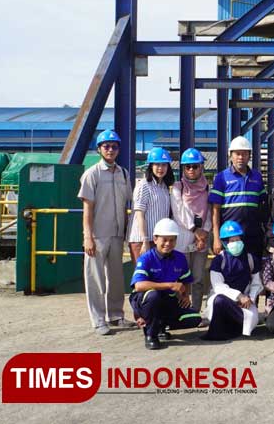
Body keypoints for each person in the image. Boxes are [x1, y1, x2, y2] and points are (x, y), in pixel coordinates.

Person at [78, 129, 134, 336]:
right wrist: (87, 237)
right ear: (99, 149)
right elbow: (87, 209)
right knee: (95, 278)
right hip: (97, 234)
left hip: (117, 234)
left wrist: (128, 233)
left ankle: (116, 315)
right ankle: (99, 320)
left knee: (116, 277)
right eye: (106, 146)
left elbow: (127, 204)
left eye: (114, 146)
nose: (110, 149)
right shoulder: (92, 174)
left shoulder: (123, 173)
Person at [129, 218, 202, 350]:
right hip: (145, 300)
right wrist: (170, 285)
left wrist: (185, 295)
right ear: (155, 239)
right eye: (164, 240)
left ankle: (160, 325)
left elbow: (186, 279)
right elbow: (139, 285)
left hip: (168, 300)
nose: (168, 243)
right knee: (153, 295)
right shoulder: (146, 258)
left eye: (172, 240)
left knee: (195, 317)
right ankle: (151, 335)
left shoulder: (180, 258)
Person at [202, 221, 263, 341]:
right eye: (232, 241)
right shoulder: (219, 260)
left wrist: (250, 298)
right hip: (226, 301)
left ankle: (232, 329)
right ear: (225, 243)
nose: (236, 243)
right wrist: (239, 296)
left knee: (250, 319)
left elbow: (257, 283)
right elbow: (218, 286)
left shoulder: (250, 258)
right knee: (218, 300)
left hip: (245, 304)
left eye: (238, 239)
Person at [209, 136, 268, 258]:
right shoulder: (221, 177)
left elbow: (263, 205)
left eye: (244, 154)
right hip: (230, 235)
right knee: (231, 271)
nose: (241, 157)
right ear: (231, 155)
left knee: (254, 270)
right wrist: (216, 238)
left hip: (253, 235)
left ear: (249, 156)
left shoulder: (257, 177)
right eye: (237, 154)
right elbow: (215, 210)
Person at [170, 148, 211, 318]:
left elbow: (209, 212)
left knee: (199, 277)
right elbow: (178, 211)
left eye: (195, 166)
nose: (191, 170)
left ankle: (195, 311)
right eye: (188, 167)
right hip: (183, 238)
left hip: (202, 238)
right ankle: (181, 309)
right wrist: (196, 230)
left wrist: (205, 233)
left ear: (201, 167)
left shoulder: (207, 187)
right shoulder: (178, 187)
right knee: (182, 277)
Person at [127, 147, 175, 265]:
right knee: (143, 277)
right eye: (157, 165)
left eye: (164, 165)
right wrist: (145, 241)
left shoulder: (164, 187)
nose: (160, 168)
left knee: (156, 277)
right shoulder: (144, 185)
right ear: (150, 166)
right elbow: (140, 215)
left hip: (158, 240)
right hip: (141, 240)